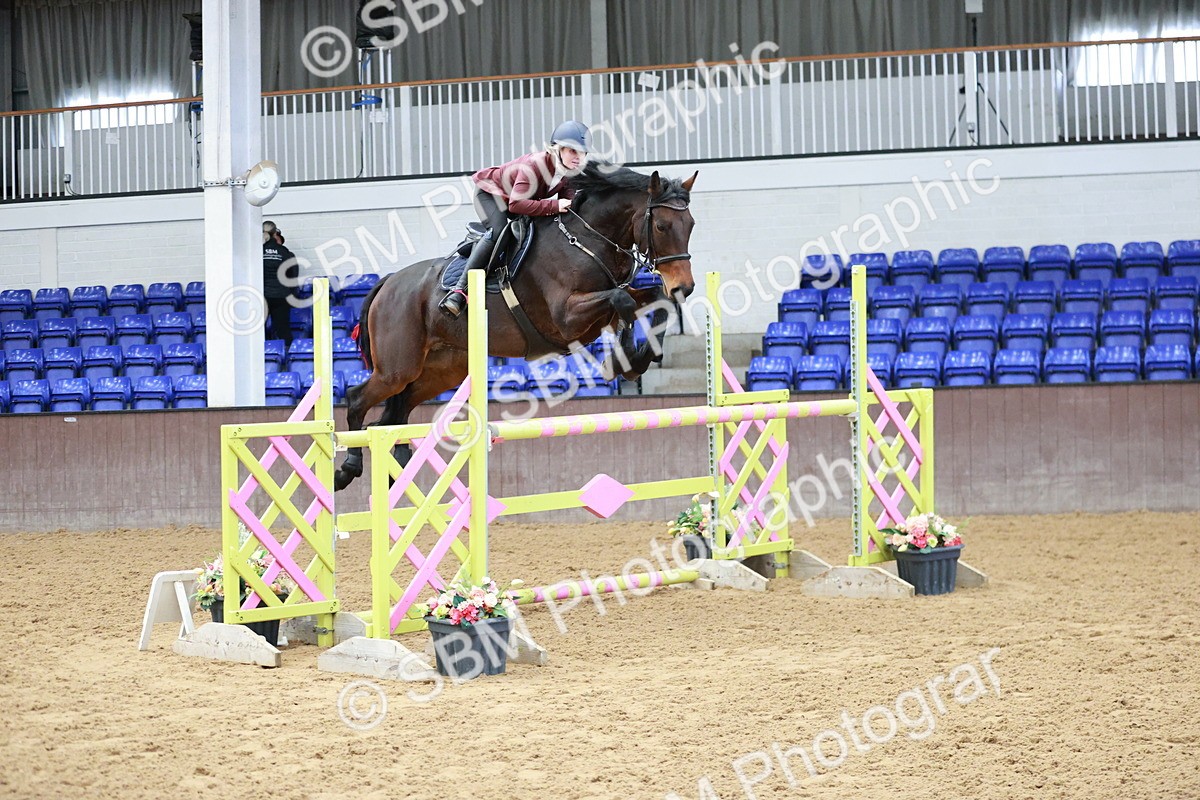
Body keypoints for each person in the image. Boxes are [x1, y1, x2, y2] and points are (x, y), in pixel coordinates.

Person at [439, 120, 592, 318]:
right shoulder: (535, 165)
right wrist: (554, 205)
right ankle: (458, 291)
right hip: (491, 195)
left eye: (582, 153)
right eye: (572, 151)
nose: (578, 157)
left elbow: (568, 207)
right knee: (499, 230)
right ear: (558, 149)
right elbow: (516, 205)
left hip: (520, 199)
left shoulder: (569, 173)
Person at [262, 220, 299, 346]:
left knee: (258, 330)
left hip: (262, 296)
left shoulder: (256, 252)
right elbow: (293, 276)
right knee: (283, 330)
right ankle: (288, 354)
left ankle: (263, 354)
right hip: (281, 296)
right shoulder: (284, 252)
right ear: (275, 233)